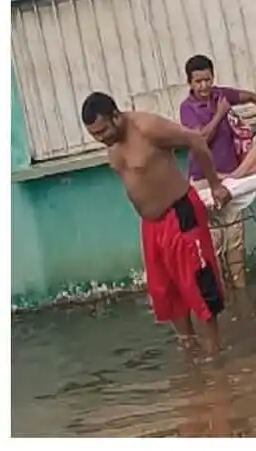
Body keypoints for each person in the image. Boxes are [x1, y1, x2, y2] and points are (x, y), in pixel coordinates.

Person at [80, 92, 231, 357]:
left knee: (198, 281)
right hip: (151, 224)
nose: (100, 138)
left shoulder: (147, 127)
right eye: (94, 134)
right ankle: (190, 352)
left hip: (179, 212)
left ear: (116, 115)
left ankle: (215, 354)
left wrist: (215, 184)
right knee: (165, 289)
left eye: (103, 130)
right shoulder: (112, 145)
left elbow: (195, 140)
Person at [179, 54, 256, 181]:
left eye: (207, 80)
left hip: (231, 173)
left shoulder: (219, 95)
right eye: (198, 82)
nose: (204, 86)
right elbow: (202, 139)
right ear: (190, 83)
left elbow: (251, 97)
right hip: (205, 177)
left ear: (213, 78)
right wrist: (219, 114)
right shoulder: (187, 108)